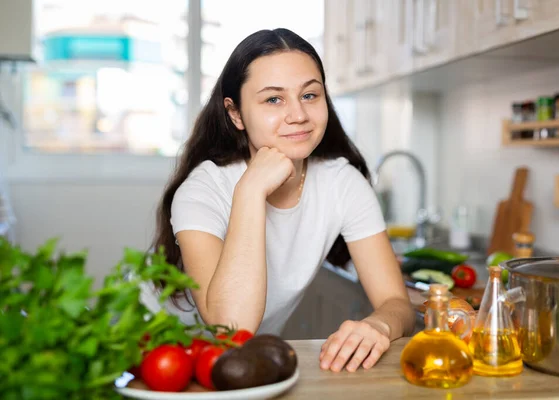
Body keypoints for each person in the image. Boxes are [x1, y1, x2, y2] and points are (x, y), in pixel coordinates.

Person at [151, 28, 415, 373]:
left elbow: (396, 302)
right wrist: (249, 193)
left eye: (310, 95)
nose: (299, 115)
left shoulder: (342, 182)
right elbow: (229, 329)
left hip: (244, 367)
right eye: (273, 99)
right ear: (235, 114)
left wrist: (379, 325)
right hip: (163, 360)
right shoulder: (204, 188)